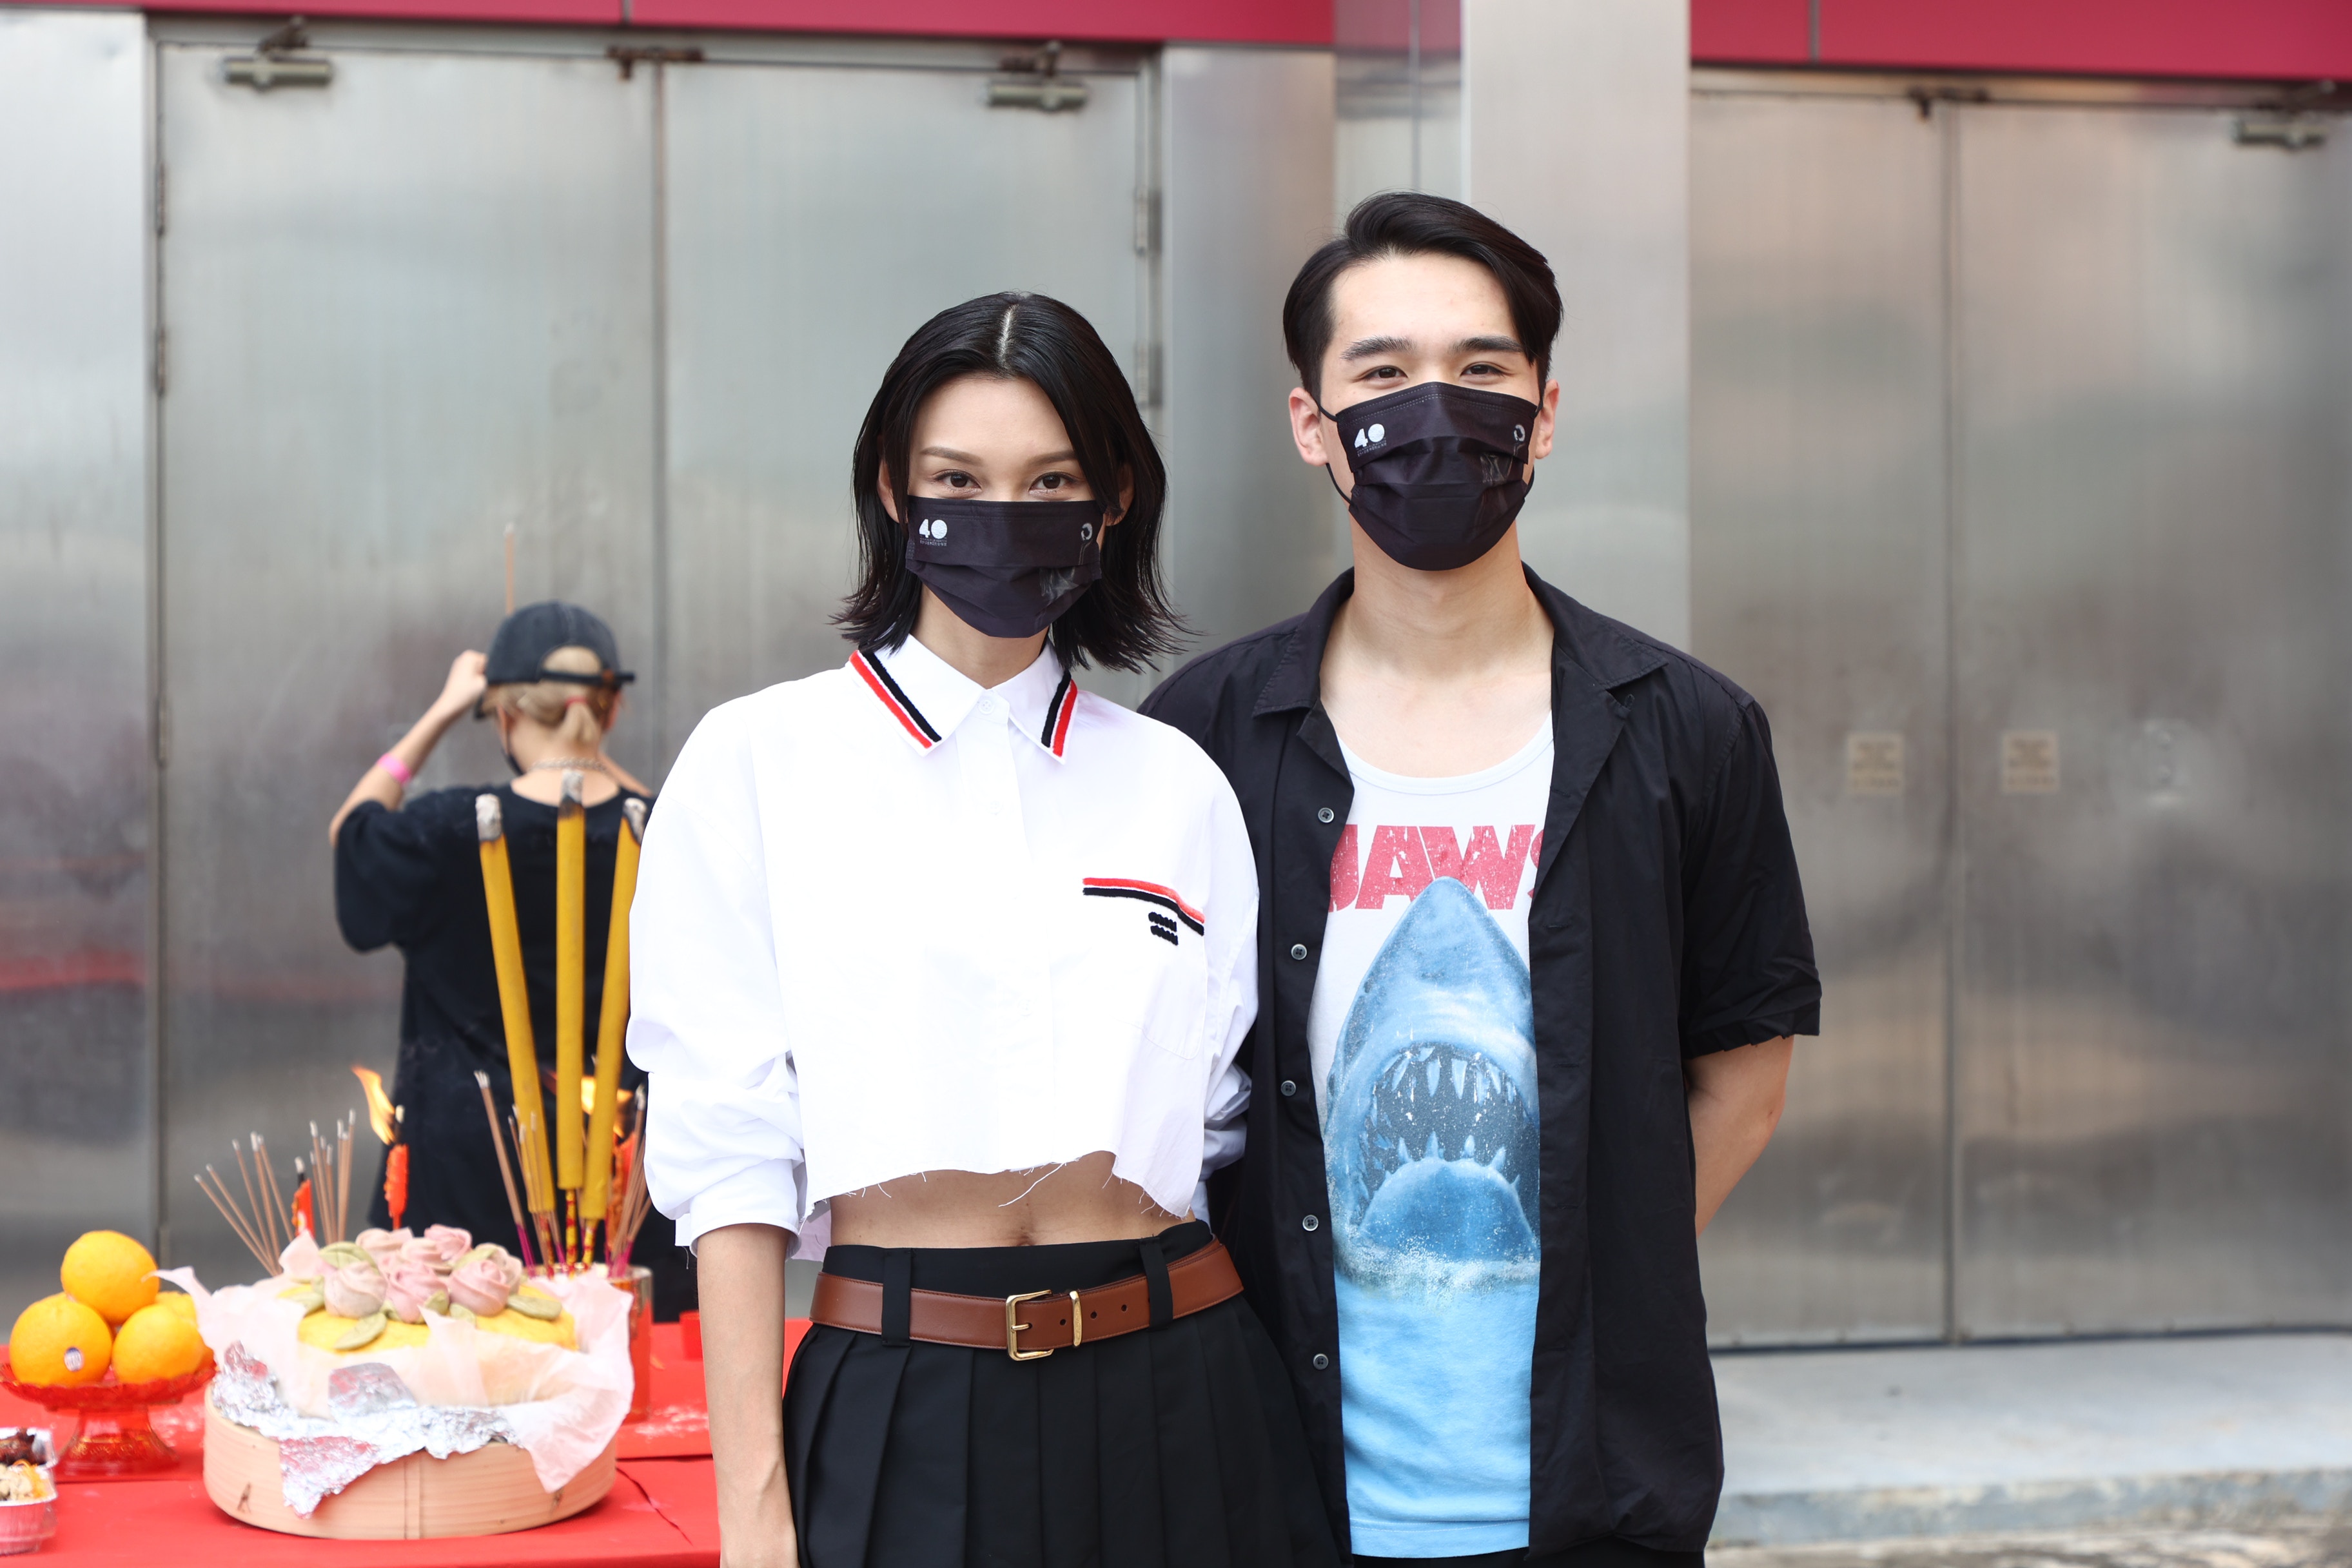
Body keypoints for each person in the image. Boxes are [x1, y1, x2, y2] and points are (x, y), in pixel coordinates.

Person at [1141, 193, 1820, 1567]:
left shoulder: (1687, 731)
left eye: (1481, 369)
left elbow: (1743, 1083)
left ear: (1545, 413)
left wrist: (1591, 1279)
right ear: (1310, 423)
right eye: (1383, 373)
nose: (1433, 410)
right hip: (1271, 1492)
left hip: (1598, 1499)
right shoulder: (1200, 738)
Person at [628, 291, 1338, 1568]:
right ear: (893, 492)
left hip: (1181, 1390)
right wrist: (754, 1518)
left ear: (1112, 501)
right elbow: (728, 1158)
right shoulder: (759, 761)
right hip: (904, 1389)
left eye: (1050, 481)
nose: (1003, 515)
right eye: (958, 479)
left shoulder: (1175, 784)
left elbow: (1227, 1123)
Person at [329, 602, 691, 1315]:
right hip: (630, 1178)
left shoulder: (448, 830)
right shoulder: (664, 835)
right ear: (611, 710)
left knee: (462, 1370)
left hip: (465, 1191)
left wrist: (440, 711)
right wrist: (593, 754)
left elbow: (353, 836)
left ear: (503, 713)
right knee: (626, 1368)